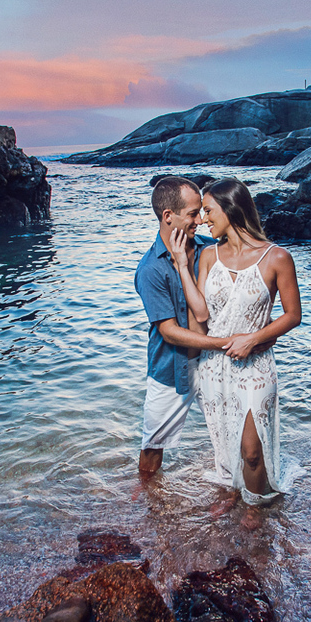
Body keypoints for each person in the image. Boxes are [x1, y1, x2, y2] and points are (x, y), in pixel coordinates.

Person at [169, 177, 301, 505]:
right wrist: (183, 266)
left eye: (209, 211)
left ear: (231, 209)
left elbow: (292, 315)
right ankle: (233, 489)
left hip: (254, 365)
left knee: (252, 450)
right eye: (200, 213)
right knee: (224, 439)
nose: (202, 219)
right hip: (214, 367)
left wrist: (255, 338)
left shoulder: (277, 258)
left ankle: (257, 505)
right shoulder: (209, 256)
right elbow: (199, 314)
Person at [133, 176, 232, 479]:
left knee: (231, 434)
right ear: (168, 216)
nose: (200, 220)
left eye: (201, 212)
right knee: (153, 446)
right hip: (172, 368)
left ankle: (234, 498)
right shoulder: (150, 268)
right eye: (192, 214)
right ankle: (148, 509)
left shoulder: (211, 249)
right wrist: (225, 341)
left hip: (217, 363)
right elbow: (168, 331)